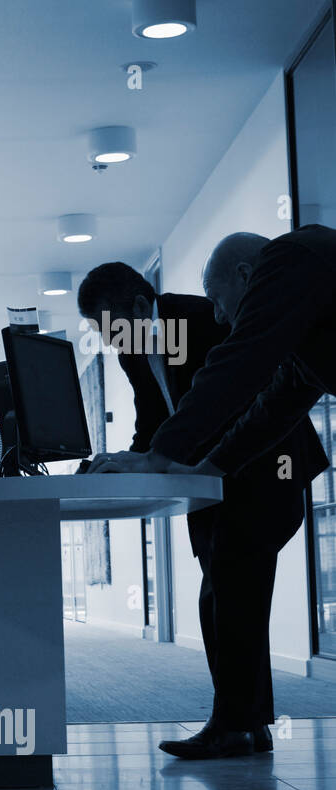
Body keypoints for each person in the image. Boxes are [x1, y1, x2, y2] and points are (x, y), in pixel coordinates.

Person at [78, 261, 326, 759]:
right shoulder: (136, 351)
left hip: (265, 462)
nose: (108, 342)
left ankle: (234, 726)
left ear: (143, 307)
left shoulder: (199, 320)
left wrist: (166, 458)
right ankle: (247, 726)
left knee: (229, 596)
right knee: (232, 595)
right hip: (212, 478)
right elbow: (153, 423)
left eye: (109, 328)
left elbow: (234, 396)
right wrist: (127, 463)